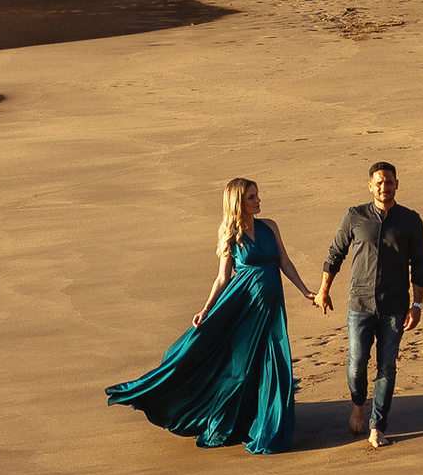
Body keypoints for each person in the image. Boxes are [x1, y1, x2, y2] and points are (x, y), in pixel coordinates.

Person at [106, 175, 314, 456]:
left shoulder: (270, 226)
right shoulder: (230, 235)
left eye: (257, 195)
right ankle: (233, 421)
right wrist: (205, 309)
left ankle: (269, 424)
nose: (258, 201)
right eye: (251, 197)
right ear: (238, 202)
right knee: (241, 371)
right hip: (244, 310)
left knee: (275, 363)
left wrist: (305, 291)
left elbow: (284, 262)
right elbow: (222, 279)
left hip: (273, 311)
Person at [319, 161, 423, 450]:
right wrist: (324, 290)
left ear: (397, 184)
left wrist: (417, 304)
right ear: (370, 186)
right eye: (379, 182)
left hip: (395, 307)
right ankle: (358, 405)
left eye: (389, 182)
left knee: (387, 366)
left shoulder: (410, 220)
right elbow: (335, 253)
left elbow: (419, 265)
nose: (384, 187)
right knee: (356, 364)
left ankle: (377, 425)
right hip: (360, 304)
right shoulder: (355, 216)